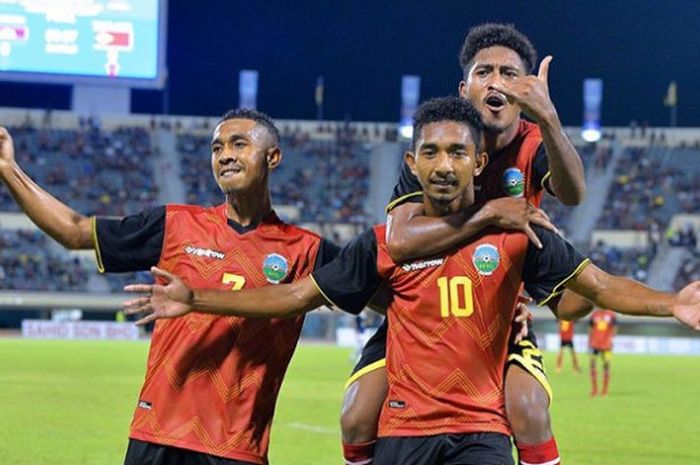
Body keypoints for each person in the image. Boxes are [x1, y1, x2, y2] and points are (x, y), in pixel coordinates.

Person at [122, 97, 700, 465]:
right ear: (413, 162)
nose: (443, 164)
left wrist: (672, 301)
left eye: (457, 152)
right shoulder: (385, 245)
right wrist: (196, 296)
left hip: (480, 430)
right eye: (431, 152)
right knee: (354, 412)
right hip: (401, 432)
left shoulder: (518, 235)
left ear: (479, 163)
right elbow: (295, 295)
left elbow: (598, 285)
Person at [0, 109, 339, 465]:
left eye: (239, 144)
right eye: (216, 148)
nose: (225, 155)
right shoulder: (175, 225)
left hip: (236, 447)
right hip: (157, 435)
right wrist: (9, 170)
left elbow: (387, 296)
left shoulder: (307, 250)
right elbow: (74, 231)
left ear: (273, 157)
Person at [344, 23, 588, 465]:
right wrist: (491, 213)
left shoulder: (534, 144)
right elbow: (399, 239)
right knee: (357, 414)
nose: (495, 82)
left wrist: (550, 118)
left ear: (525, 87)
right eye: (484, 72)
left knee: (529, 410)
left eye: (509, 74)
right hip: (423, 302)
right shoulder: (439, 143)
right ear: (465, 87)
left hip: (494, 310)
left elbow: (573, 194)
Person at [588, 309, 617, 397]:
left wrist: (610, 340)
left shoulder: (611, 315)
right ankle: (594, 389)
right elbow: (590, 328)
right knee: (592, 365)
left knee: (606, 366)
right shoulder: (594, 315)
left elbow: (614, 329)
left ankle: (605, 390)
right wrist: (590, 341)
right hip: (595, 344)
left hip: (606, 345)